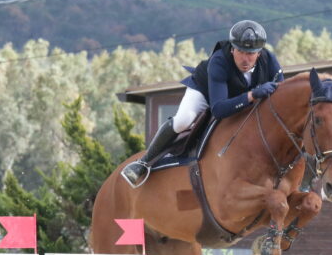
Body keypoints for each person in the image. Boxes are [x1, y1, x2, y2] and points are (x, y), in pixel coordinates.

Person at [121, 19, 284, 187]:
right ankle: (143, 162)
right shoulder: (219, 61)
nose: (245, 59)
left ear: (259, 53)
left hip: (239, 97)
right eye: (241, 51)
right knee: (183, 120)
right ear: (233, 48)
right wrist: (252, 95)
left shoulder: (269, 60)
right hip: (205, 92)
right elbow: (219, 109)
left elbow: (280, 94)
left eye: (251, 53)